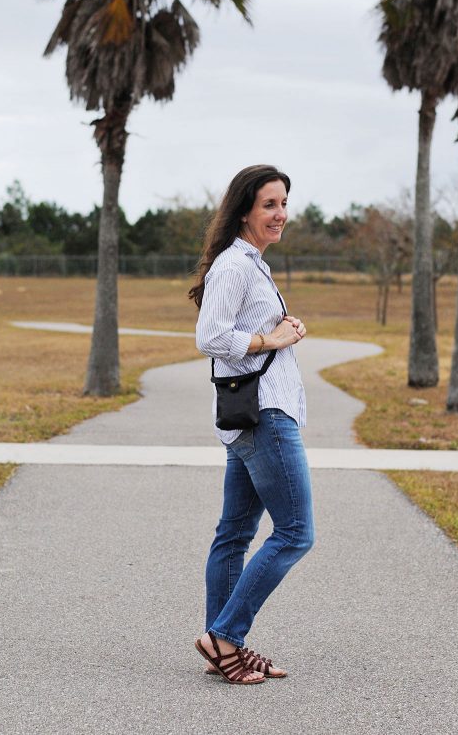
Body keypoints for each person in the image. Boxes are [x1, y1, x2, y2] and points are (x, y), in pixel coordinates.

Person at [188, 164, 315, 685]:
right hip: (264, 417)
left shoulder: (251, 264)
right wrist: (273, 340)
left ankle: (224, 646)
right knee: (295, 533)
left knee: (235, 533)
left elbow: (245, 329)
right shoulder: (235, 266)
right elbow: (211, 336)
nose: (280, 214)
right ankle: (226, 636)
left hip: (255, 414)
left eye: (283, 203)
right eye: (269, 204)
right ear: (244, 210)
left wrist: (285, 328)